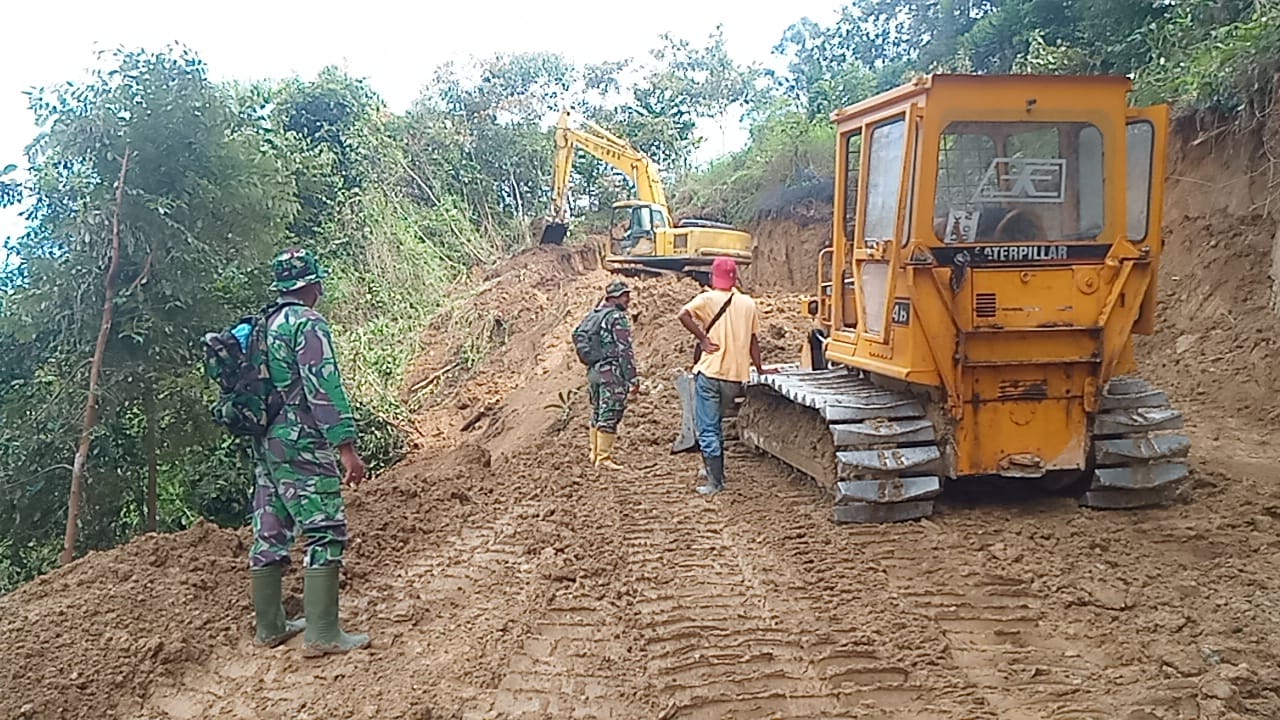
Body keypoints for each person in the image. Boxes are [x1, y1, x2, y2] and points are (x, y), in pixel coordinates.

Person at [249, 247, 370, 657]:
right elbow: (324, 387)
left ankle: (270, 626)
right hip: (301, 439)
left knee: (271, 529)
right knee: (325, 528)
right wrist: (346, 448)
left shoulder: (262, 325)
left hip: (266, 441)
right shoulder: (307, 324)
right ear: (312, 285)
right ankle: (322, 633)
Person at [677, 257, 774, 495]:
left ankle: (715, 482)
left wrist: (702, 338)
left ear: (713, 276)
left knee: (707, 427)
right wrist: (760, 368)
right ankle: (712, 471)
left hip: (710, 372)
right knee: (715, 423)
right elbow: (753, 340)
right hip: (734, 377)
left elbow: (683, 314)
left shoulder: (707, 298)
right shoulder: (748, 303)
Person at [577, 280, 639, 470]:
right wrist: (632, 378)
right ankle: (603, 459)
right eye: (624, 296)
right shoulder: (616, 317)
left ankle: (594, 453)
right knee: (610, 412)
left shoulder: (594, 315)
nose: (628, 299)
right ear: (614, 298)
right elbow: (624, 349)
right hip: (610, 372)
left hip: (594, 371)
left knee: (597, 411)